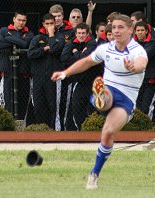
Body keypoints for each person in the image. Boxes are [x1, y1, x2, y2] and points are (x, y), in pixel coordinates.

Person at [51, 14, 148, 189]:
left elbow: (141, 63)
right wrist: (65, 73)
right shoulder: (106, 48)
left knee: (108, 133)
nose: (116, 31)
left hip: (127, 99)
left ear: (130, 30)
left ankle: (94, 173)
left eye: (121, 27)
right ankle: (100, 96)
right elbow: (87, 62)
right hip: (110, 89)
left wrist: (134, 67)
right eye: (114, 28)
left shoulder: (137, 51)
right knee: (106, 94)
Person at [27, 14, 65, 130]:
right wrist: (44, 49)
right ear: (43, 24)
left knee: (53, 106)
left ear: (55, 23)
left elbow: (54, 49)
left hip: (53, 78)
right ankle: (41, 129)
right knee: (38, 105)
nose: (49, 26)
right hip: (38, 77)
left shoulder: (60, 37)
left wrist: (52, 35)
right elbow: (30, 53)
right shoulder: (37, 38)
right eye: (47, 24)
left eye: (51, 24)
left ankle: (54, 130)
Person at [0, 10, 33, 119]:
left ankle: (20, 128)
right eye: (19, 20)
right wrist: (18, 41)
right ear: (14, 19)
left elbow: (26, 44)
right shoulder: (4, 30)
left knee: (23, 103)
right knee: (6, 102)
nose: (21, 23)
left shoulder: (29, 33)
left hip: (23, 73)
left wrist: (8, 39)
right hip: (7, 72)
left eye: (24, 20)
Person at [61, 23, 98, 130]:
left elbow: (86, 59)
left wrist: (75, 53)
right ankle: (81, 130)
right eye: (79, 33)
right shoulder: (72, 42)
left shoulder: (92, 43)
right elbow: (64, 57)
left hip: (93, 82)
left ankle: (93, 130)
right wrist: (80, 54)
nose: (81, 36)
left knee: (94, 109)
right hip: (79, 81)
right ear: (76, 34)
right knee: (76, 108)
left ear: (87, 34)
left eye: (83, 33)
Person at [49, 4, 75, 130]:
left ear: (63, 16)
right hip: (50, 72)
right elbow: (53, 49)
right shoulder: (46, 30)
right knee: (52, 102)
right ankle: (52, 128)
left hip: (66, 71)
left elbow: (65, 48)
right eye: (54, 16)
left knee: (64, 102)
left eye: (59, 16)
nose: (57, 19)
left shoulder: (70, 31)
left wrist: (56, 46)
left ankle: (62, 129)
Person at [134, 21, 155, 120]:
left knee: (146, 108)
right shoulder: (131, 43)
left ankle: (148, 127)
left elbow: (145, 55)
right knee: (136, 107)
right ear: (135, 32)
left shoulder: (152, 43)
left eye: (142, 30)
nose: (140, 32)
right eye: (138, 30)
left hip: (150, 80)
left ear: (147, 31)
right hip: (136, 80)